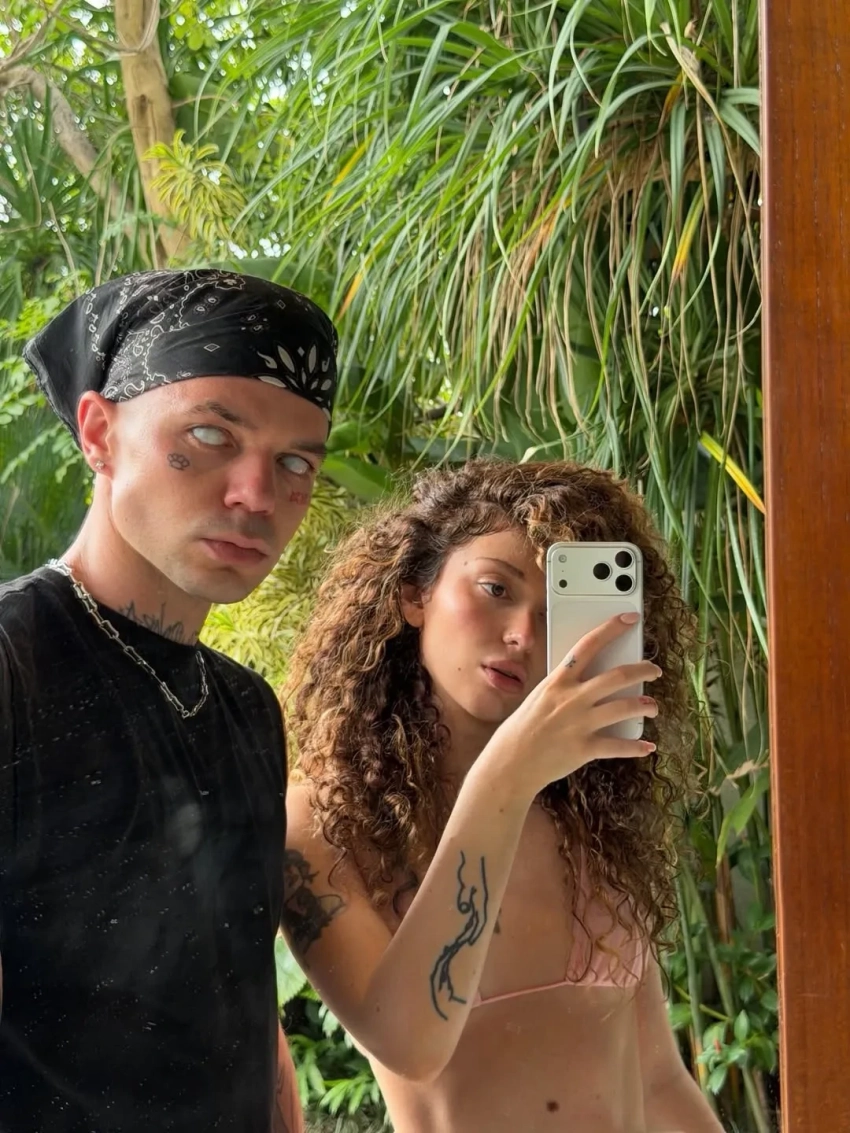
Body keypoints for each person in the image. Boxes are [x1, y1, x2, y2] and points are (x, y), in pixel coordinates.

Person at [281, 459, 725, 1133]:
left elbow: (658, 1078)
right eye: (496, 588)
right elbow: (408, 1043)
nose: (523, 634)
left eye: (554, 612)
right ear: (414, 592)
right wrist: (506, 778)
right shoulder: (327, 822)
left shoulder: (586, 814)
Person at [0, 268, 339, 1133]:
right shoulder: (12, 665)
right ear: (99, 432)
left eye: (295, 462)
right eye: (210, 435)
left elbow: (243, 1002)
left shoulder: (246, 708)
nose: (257, 495)